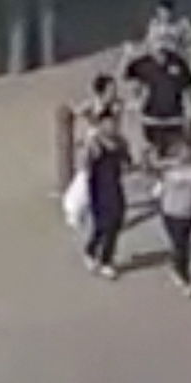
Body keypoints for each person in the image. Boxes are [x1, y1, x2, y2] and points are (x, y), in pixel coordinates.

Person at [123, 34, 191, 161]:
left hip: (175, 120)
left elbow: (189, 92)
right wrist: (127, 56)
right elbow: (126, 78)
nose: (159, 45)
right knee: (156, 157)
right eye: (155, 41)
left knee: (185, 154)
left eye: (162, 40)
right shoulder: (141, 64)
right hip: (152, 122)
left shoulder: (178, 62)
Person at [81, 114, 131, 279]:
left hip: (115, 186)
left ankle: (106, 258)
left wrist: (126, 158)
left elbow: (127, 162)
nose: (111, 127)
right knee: (103, 224)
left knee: (116, 221)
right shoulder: (95, 144)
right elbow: (86, 165)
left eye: (113, 124)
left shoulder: (121, 142)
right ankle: (92, 251)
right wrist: (89, 151)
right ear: (101, 125)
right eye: (107, 124)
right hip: (99, 188)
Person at [155, 137, 191, 295]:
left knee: (184, 245)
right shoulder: (168, 171)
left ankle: (176, 266)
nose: (186, 154)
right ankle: (185, 278)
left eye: (188, 151)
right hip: (171, 213)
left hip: (189, 212)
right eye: (182, 151)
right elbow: (154, 168)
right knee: (181, 245)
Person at [75, 73, 122, 146]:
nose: (115, 93)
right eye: (111, 90)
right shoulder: (90, 105)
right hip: (93, 142)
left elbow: (115, 129)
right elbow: (78, 113)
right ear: (101, 92)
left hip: (109, 140)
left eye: (115, 90)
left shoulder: (116, 105)